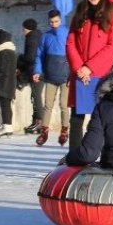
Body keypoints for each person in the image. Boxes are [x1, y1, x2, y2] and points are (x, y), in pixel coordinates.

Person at [66, 0, 113, 150]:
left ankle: (104, 154)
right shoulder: (80, 12)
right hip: (79, 75)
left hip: (101, 74)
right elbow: (70, 42)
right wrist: (79, 68)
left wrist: (90, 67)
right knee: (76, 117)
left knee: (101, 117)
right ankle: (75, 155)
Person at [32, 10, 70, 147]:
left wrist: (73, 73)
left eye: (56, 21)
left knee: (64, 105)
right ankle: (44, 131)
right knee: (48, 105)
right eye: (51, 22)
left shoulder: (68, 34)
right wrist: (37, 71)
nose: (54, 24)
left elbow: (74, 54)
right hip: (50, 76)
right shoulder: (45, 36)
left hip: (66, 76)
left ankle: (64, 130)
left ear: (61, 20)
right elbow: (39, 55)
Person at [19, 18, 44, 134]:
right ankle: (36, 121)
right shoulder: (38, 36)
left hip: (36, 72)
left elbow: (30, 57)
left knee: (36, 96)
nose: (22, 30)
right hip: (39, 71)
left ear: (27, 28)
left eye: (23, 28)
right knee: (35, 96)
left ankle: (39, 122)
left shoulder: (32, 39)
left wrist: (20, 60)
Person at [0, 28, 17, 137]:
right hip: (11, 83)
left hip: (3, 84)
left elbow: (0, 70)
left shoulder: (2, 52)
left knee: (4, 106)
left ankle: (6, 126)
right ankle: (8, 126)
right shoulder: (12, 52)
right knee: (7, 106)